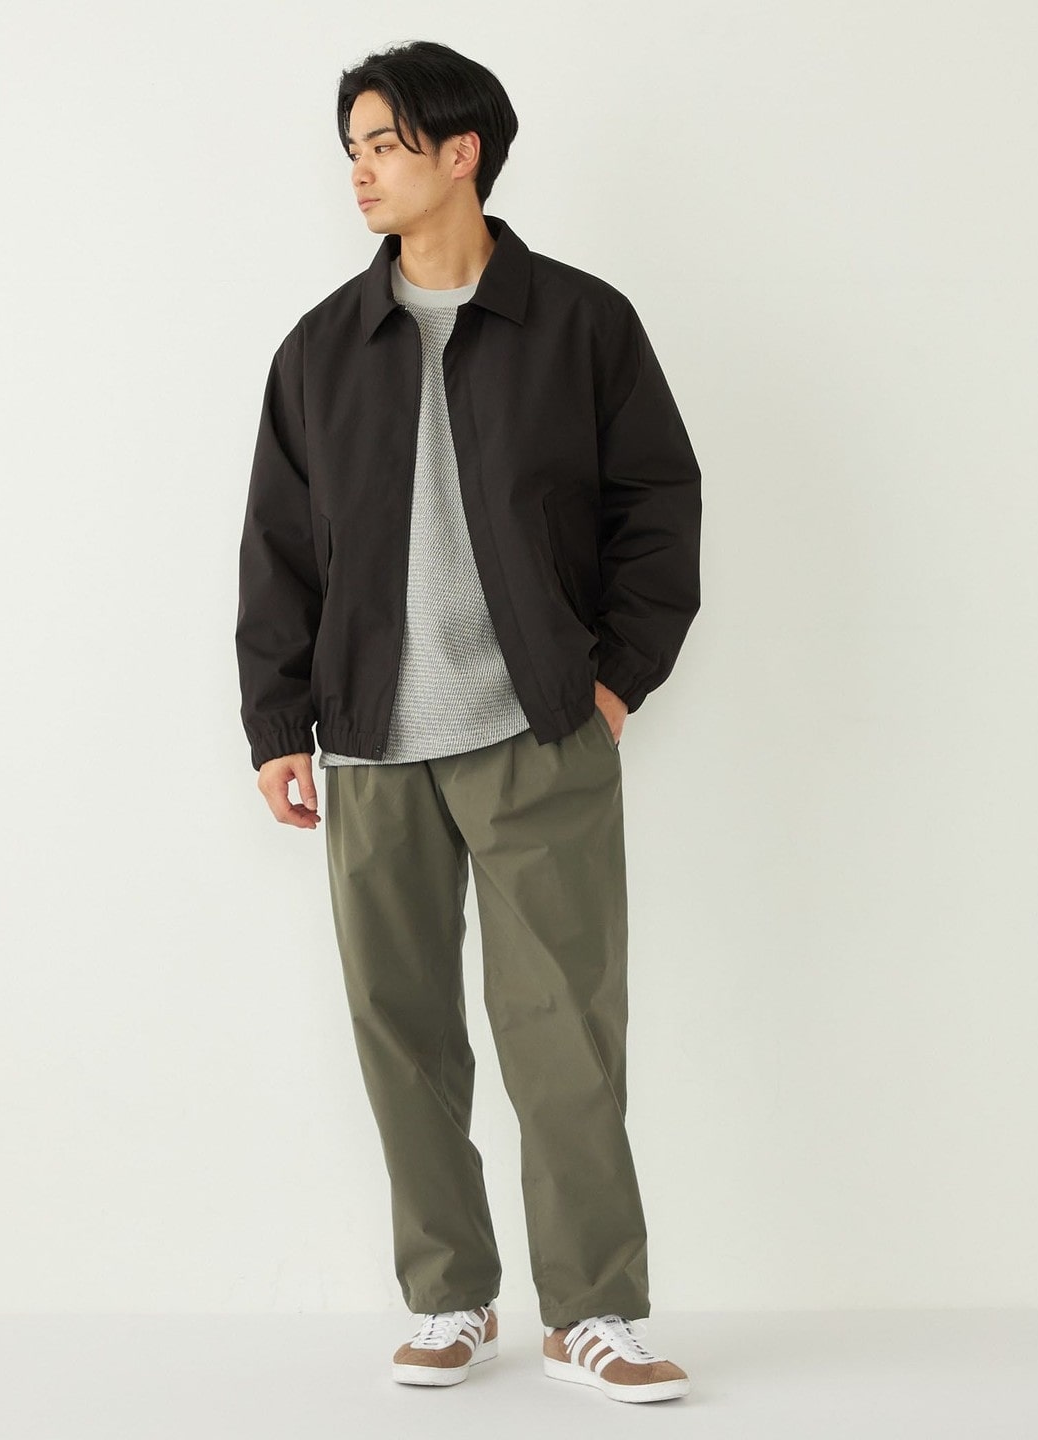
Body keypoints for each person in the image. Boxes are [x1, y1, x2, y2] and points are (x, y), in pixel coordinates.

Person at [235, 40, 702, 1404]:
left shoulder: (582, 324)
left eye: (384, 143)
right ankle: (449, 1295)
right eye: (352, 148)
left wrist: (613, 681)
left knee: (566, 1032)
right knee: (403, 1029)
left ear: (462, 153)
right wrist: (277, 723)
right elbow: (278, 549)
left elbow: (658, 507)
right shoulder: (321, 350)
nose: (361, 170)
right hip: (370, 745)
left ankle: (592, 1309)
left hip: (535, 732)